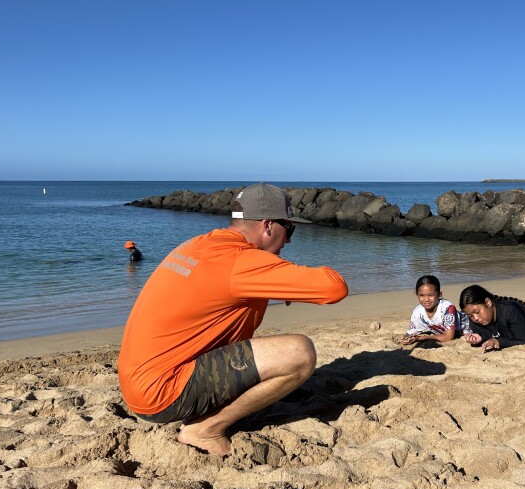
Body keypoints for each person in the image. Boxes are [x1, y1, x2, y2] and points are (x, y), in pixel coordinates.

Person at [118, 183, 348, 455]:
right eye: (289, 230)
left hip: (137, 382)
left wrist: (278, 285)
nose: (288, 241)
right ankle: (205, 429)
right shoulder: (241, 261)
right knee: (300, 352)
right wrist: (287, 277)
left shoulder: (200, 244)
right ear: (267, 226)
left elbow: (223, 284)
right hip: (163, 393)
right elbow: (335, 287)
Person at [400, 275, 470, 345]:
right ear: (417, 295)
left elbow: (448, 337)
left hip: (471, 326)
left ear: (439, 294)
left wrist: (421, 338)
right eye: (422, 295)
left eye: (430, 295)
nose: (426, 299)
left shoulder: (447, 308)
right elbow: (411, 332)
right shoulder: (418, 311)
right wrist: (407, 338)